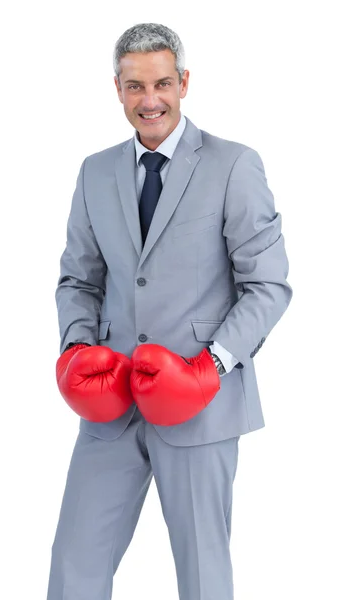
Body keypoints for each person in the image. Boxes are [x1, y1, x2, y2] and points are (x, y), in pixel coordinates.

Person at [46, 22, 293, 600]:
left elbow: (269, 285)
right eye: (135, 87)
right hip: (111, 406)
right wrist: (76, 350)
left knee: (204, 578)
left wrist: (212, 367)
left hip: (201, 406)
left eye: (161, 83)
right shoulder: (95, 171)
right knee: (73, 566)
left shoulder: (234, 165)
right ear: (117, 89)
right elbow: (79, 277)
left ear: (183, 83)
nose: (149, 100)